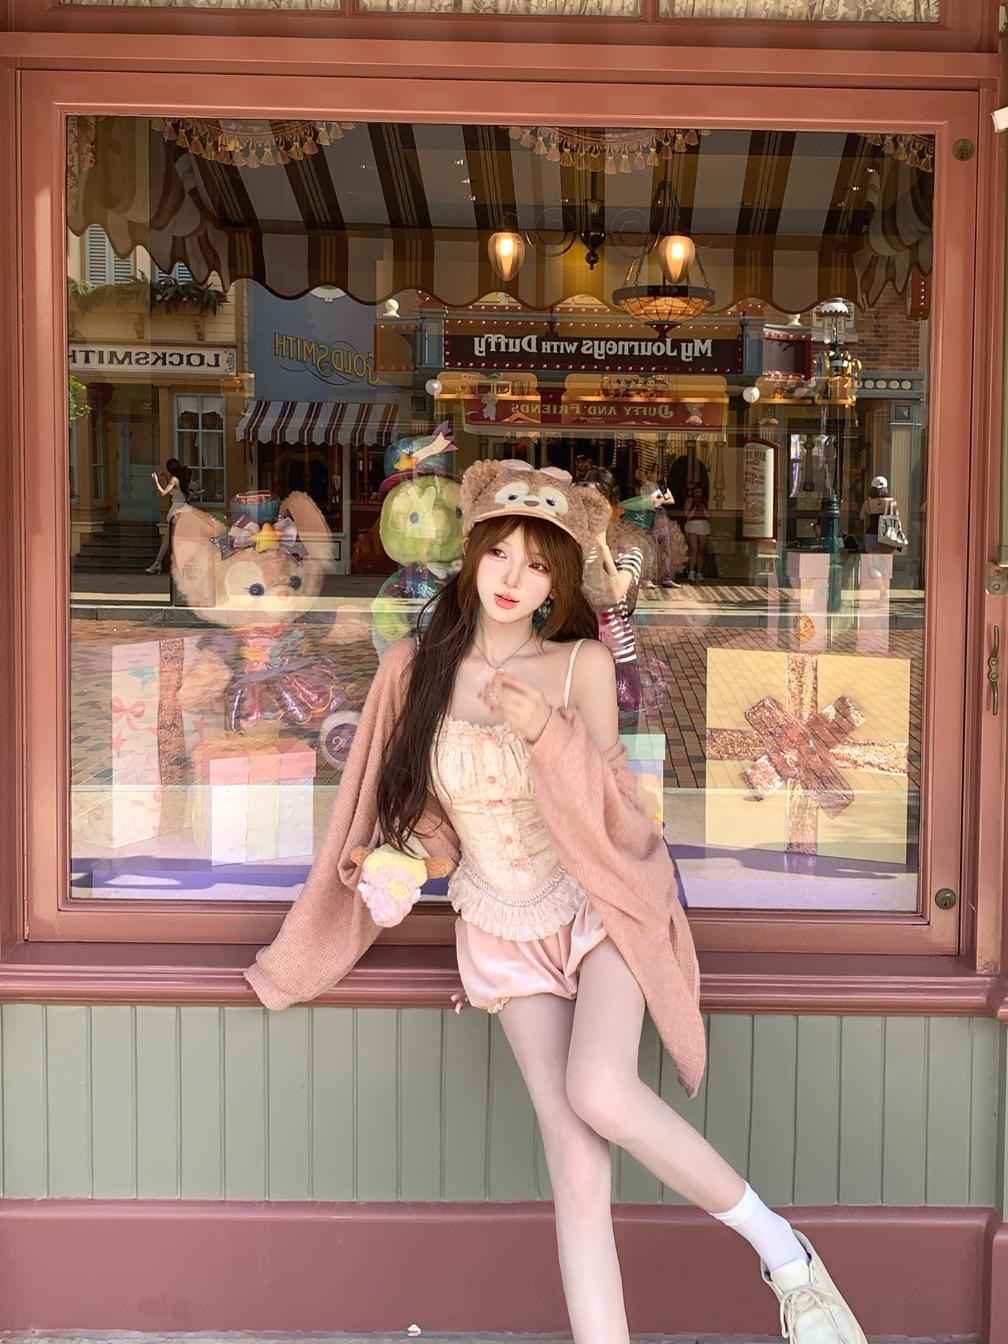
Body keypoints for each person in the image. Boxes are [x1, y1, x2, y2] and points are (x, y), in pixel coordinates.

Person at [244, 458, 867, 1344]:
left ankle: (785, 1256)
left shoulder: (576, 665)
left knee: (602, 1091)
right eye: (500, 553)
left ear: (558, 582)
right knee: (576, 1168)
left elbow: (611, 818)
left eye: (538, 564)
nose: (513, 577)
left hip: (598, 902)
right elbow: (425, 818)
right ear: (471, 557)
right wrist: (404, 864)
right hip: (499, 922)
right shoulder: (414, 668)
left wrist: (546, 736)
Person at [146, 457, 193, 574]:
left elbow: (163, 492)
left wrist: (156, 480)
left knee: (168, 541)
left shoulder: (174, 479)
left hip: (176, 511)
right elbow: (175, 490)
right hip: (184, 509)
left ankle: (158, 564)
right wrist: (164, 478)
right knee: (177, 540)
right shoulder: (182, 479)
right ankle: (159, 564)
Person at [859, 474, 901, 554]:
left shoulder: (867, 503)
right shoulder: (891, 502)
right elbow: (896, 517)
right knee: (886, 562)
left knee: (872, 563)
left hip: (872, 534)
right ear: (885, 488)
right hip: (887, 535)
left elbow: (861, 517)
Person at [683, 481, 711, 582]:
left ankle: (699, 573)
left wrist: (703, 508)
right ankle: (691, 572)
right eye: (696, 492)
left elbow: (708, 516)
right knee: (693, 550)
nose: (698, 494)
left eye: (700, 492)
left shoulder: (705, 501)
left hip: (703, 525)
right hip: (692, 525)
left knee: (701, 551)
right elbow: (687, 516)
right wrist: (694, 508)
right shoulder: (689, 501)